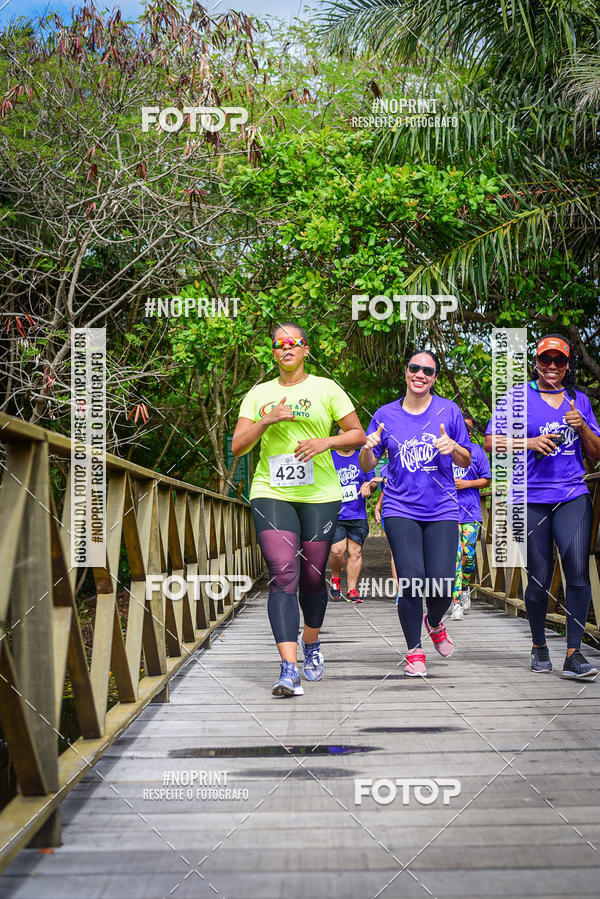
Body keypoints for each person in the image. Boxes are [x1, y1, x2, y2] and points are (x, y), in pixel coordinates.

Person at [231, 322, 366, 697]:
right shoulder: (259, 394)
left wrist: (325, 442)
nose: (286, 348)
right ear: (273, 352)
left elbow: (356, 434)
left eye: (294, 342)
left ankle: (312, 643)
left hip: (320, 494)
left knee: (311, 577)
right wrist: (267, 419)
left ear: (306, 349)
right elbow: (239, 446)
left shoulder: (326, 388)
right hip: (271, 491)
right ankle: (288, 669)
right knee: (283, 574)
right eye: (279, 344)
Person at [485, 334, 600, 679]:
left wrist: (582, 429)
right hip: (530, 498)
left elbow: (595, 452)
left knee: (578, 570)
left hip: (572, 495)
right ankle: (538, 646)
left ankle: (574, 652)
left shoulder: (578, 400)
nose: (552, 367)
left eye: (560, 361)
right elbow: (491, 441)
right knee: (537, 578)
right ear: (535, 362)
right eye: (545, 360)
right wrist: (529, 441)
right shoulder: (518, 397)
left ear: (568, 365)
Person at [359, 350, 472, 677]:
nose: (420, 374)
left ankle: (434, 623)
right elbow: (368, 464)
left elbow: (465, 460)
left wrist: (454, 448)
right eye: (415, 368)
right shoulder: (385, 415)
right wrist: (368, 448)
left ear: (435, 377)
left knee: (441, 584)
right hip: (400, 506)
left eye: (428, 370)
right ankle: (414, 651)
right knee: (410, 580)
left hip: (442, 508)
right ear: (406, 372)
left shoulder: (448, 410)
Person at [450, 415, 492, 620]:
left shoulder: (477, 452)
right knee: (455, 558)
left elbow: (486, 480)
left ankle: (465, 586)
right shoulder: (443, 450)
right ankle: (456, 602)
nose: (464, 431)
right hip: (447, 513)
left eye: (467, 429)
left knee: (468, 557)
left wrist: (466, 484)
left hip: (470, 512)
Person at [328, 435, 379, 603]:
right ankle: (335, 577)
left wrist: (368, 486)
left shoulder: (362, 456)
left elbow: (373, 481)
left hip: (357, 513)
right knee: (337, 550)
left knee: (355, 552)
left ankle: (352, 590)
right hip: (335, 513)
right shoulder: (329, 457)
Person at [373, 463, 400, 603]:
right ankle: (399, 591)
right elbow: (386, 489)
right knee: (395, 552)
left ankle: (413, 588)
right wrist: (378, 506)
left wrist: (381, 479)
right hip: (390, 512)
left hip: (408, 511)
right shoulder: (384, 469)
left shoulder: (409, 460)